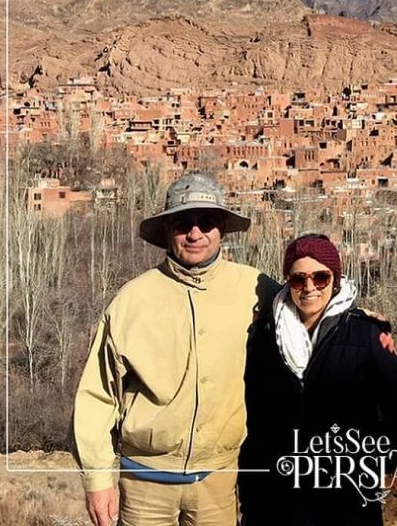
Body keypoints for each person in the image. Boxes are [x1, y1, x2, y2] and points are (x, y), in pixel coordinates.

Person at [73, 172, 279, 526]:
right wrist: (97, 480)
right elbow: (98, 396)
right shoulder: (132, 301)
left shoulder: (256, 288)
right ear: (168, 231)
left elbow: (312, 311)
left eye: (207, 222)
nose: (195, 233)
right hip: (144, 486)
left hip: (219, 482)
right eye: (183, 223)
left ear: (222, 230)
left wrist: (366, 324)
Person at [238, 234, 397, 526]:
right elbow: (255, 423)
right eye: (299, 279)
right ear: (288, 281)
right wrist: (251, 497)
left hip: (346, 501)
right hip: (277, 502)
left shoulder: (367, 335)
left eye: (320, 277)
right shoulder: (264, 338)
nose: (309, 287)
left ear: (335, 279)